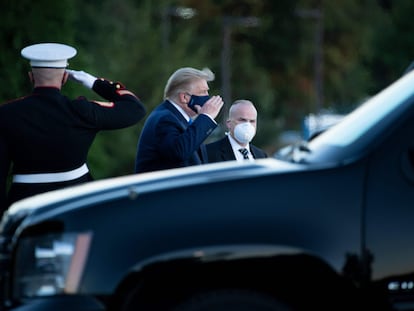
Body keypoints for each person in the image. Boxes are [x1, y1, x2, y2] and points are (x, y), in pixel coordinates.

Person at [0, 42, 146, 214]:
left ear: (31, 77)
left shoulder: (6, 114)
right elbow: (135, 109)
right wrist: (94, 82)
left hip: (24, 207)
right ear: (64, 78)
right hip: (75, 206)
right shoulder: (81, 111)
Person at [134, 67, 224, 173]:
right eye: (202, 92)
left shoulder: (178, 118)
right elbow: (179, 151)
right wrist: (206, 117)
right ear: (184, 97)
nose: (207, 97)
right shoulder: (165, 119)